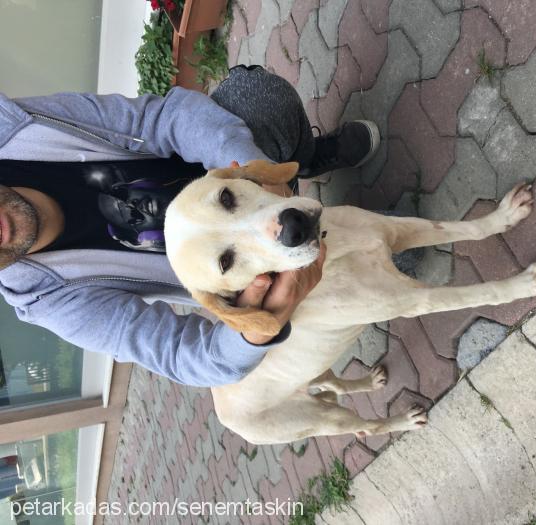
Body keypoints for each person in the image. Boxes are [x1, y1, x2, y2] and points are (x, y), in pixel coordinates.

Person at [0, 65, 380, 386]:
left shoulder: (15, 130)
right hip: (253, 268)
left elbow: (162, 118)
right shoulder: (47, 299)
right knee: (368, 273)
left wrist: (258, 173)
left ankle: (304, 160)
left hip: (238, 179)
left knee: (257, 92)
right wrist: (254, 331)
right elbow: (180, 356)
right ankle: (363, 258)